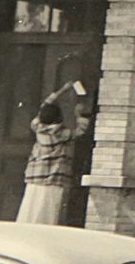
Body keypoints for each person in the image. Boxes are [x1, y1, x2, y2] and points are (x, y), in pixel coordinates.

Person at [16, 82, 90, 225]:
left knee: (31, 207)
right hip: (52, 178)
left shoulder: (37, 127)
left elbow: (44, 106)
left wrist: (61, 90)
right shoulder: (61, 134)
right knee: (48, 210)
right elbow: (81, 130)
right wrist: (80, 114)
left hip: (35, 176)